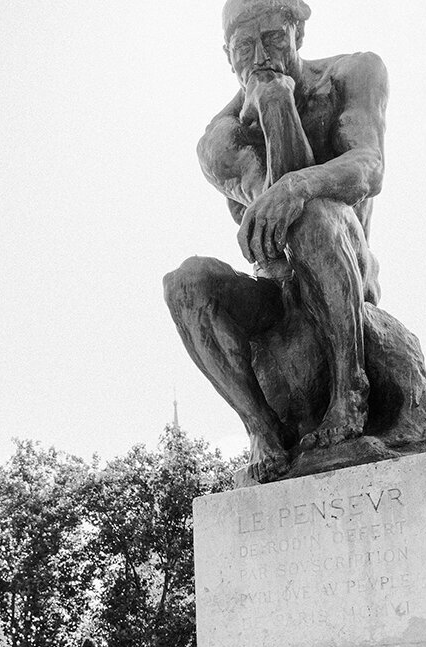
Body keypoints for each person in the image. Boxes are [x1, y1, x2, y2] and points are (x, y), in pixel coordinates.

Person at [163, 0, 388, 482]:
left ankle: (351, 389)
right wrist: (272, 104)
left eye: (272, 39)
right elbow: (275, 212)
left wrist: (299, 184)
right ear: (228, 55)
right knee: (186, 283)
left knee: (313, 210)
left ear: (297, 36)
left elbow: (368, 166)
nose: (259, 55)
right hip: (281, 293)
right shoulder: (219, 138)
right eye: (245, 46)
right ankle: (260, 428)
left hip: (346, 260)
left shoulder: (355, 73)